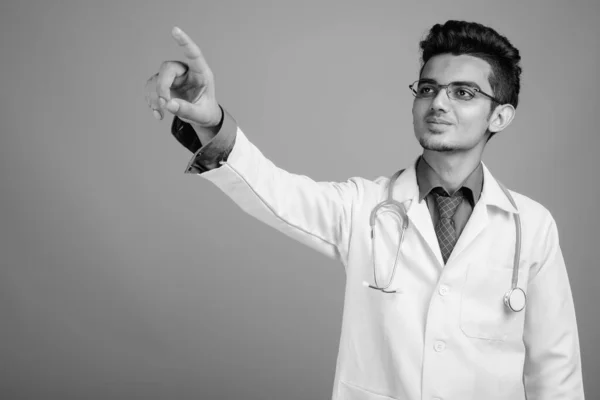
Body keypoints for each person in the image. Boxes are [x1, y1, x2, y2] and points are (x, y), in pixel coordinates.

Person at [144, 20, 584, 400]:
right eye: (428, 88)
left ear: (500, 116)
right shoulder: (364, 206)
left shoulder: (532, 225)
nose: (439, 103)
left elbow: (555, 370)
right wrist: (209, 120)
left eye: (463, 92)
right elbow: (274, 192)